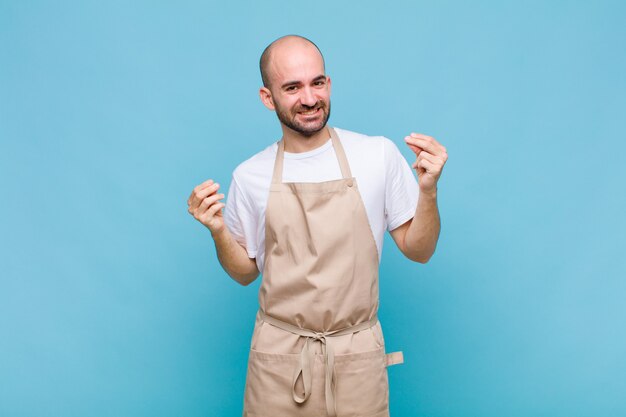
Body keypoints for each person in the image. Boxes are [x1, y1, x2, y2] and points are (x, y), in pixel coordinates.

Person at [187, 35, 447, 417]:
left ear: (329, 83)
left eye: (317, 82)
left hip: (356, 355)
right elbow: (245, 273)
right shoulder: (250, 175)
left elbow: (419, 250)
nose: (309, 98)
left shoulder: (377, 155)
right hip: (280, 360)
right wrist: (218, 231)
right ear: (267, 97)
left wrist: (428, 192)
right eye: (292, 87)